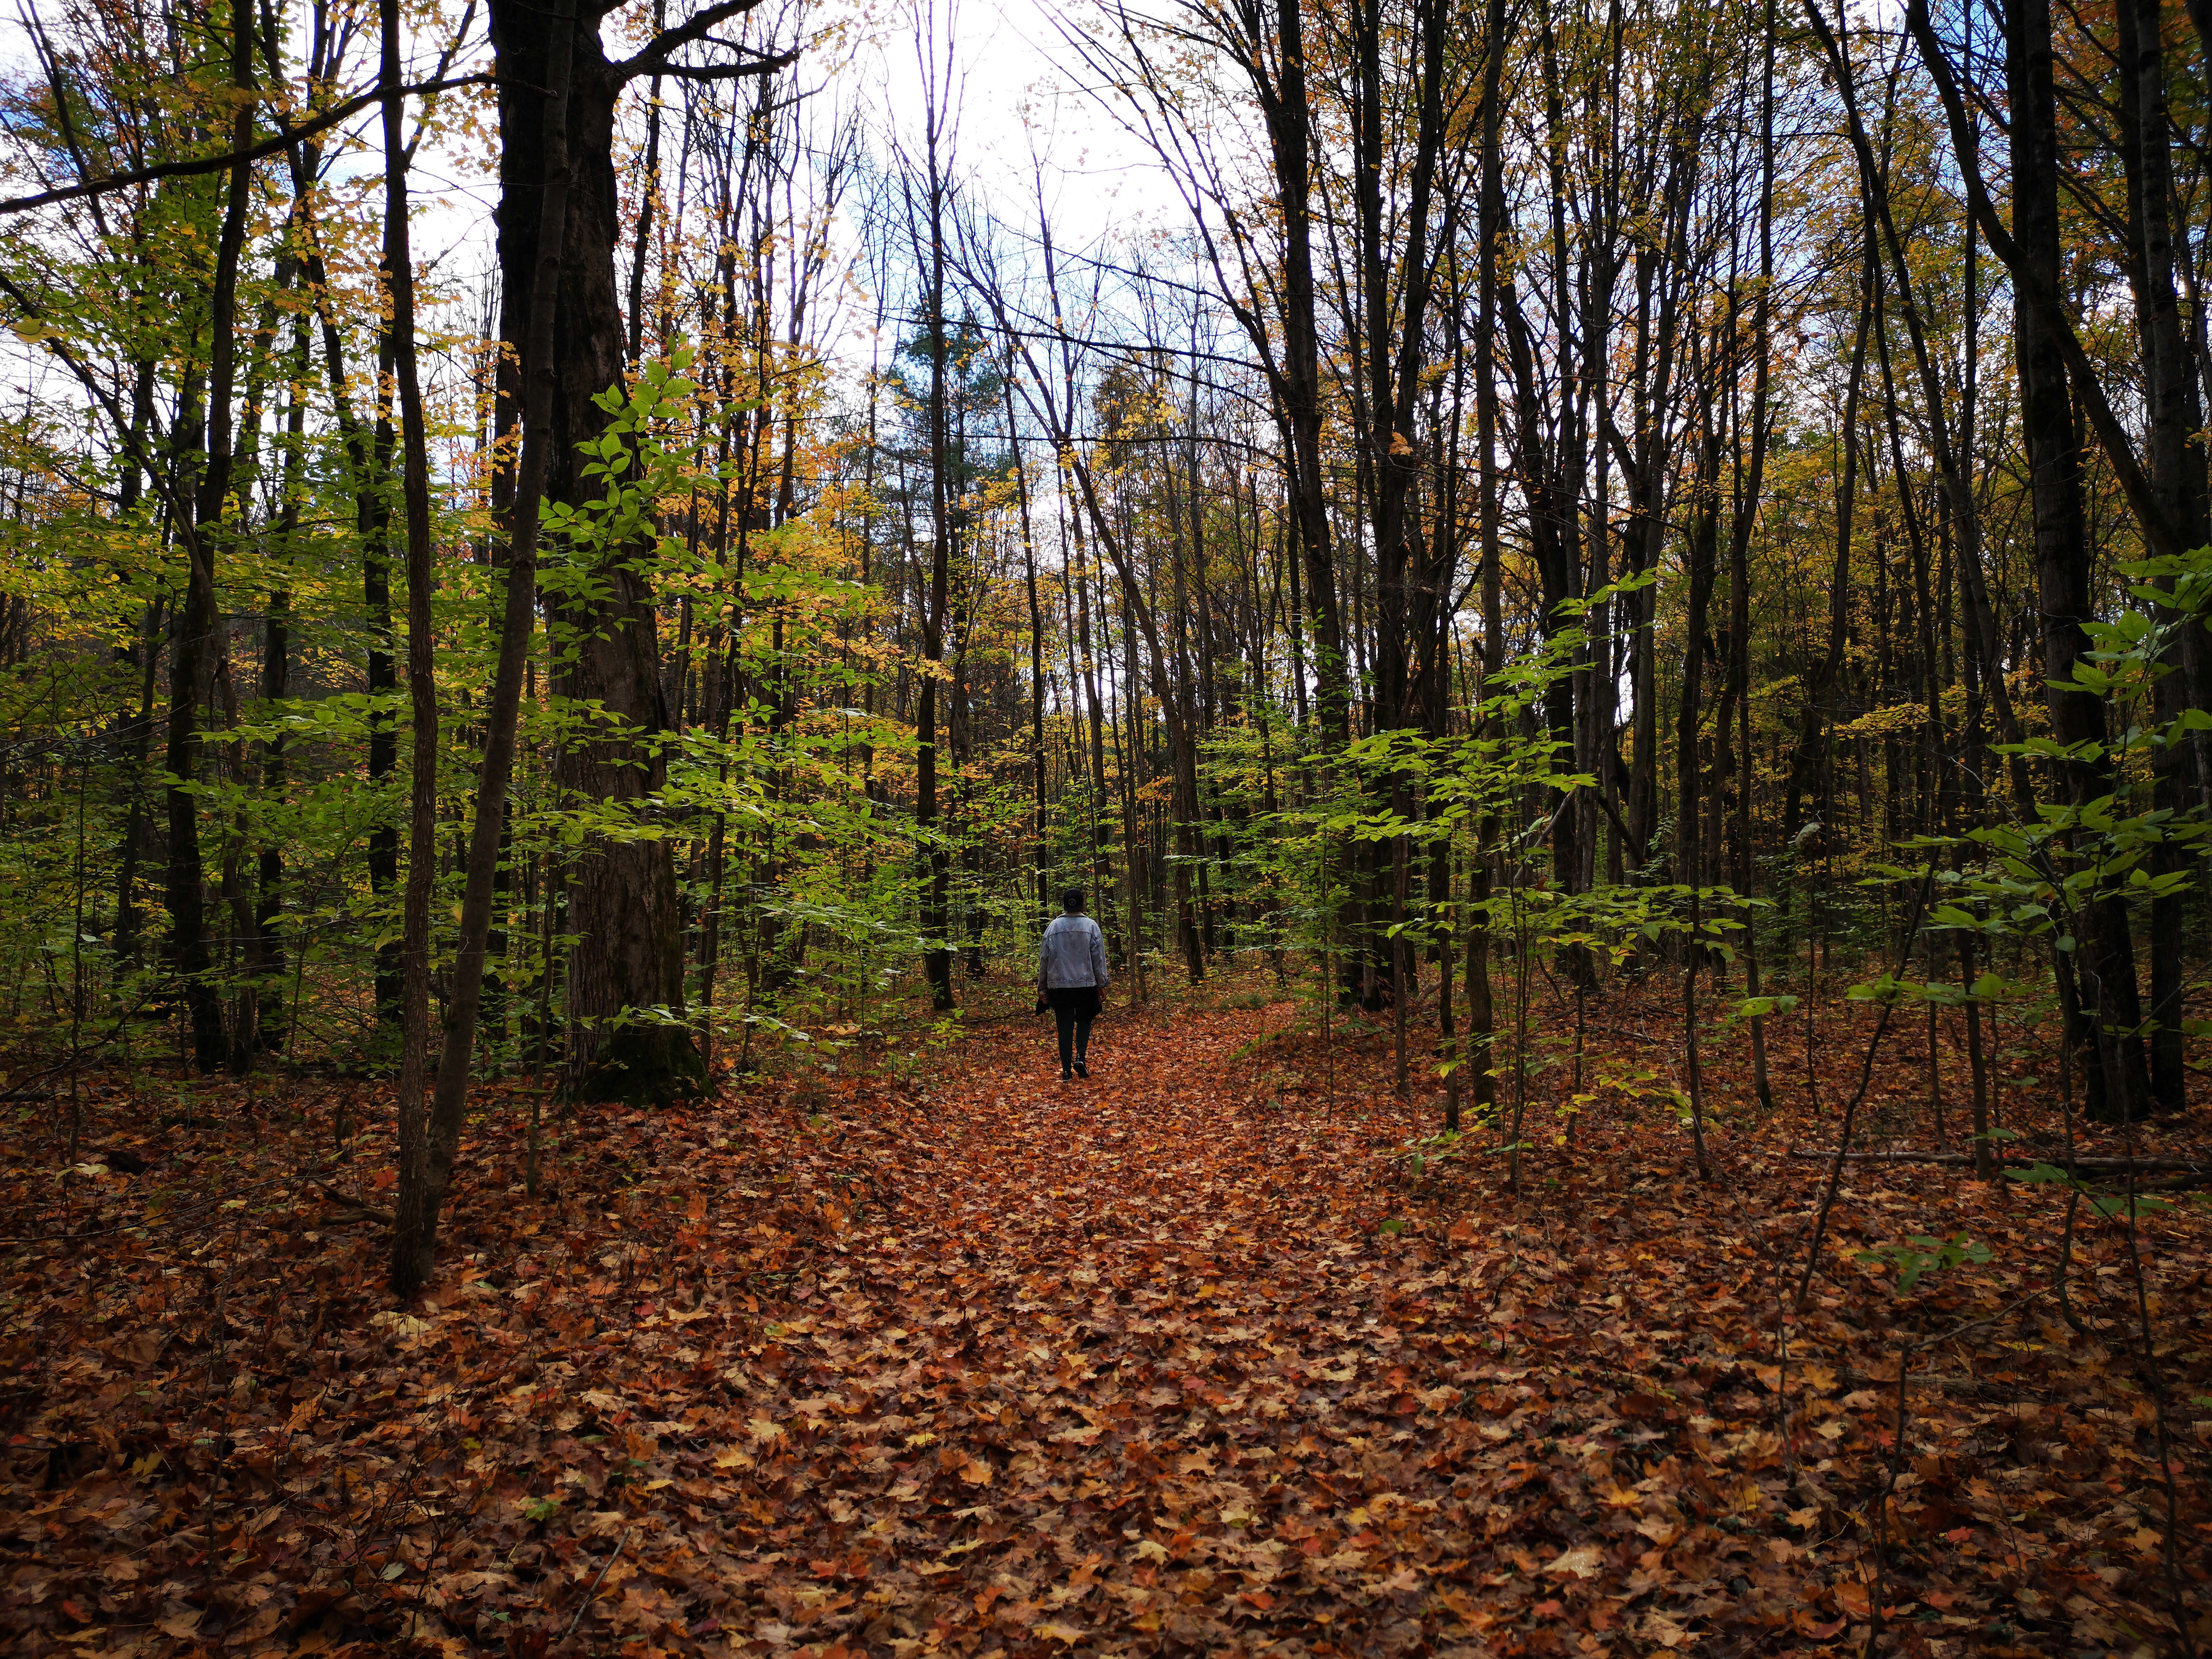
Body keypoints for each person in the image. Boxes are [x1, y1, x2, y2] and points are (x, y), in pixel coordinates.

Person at [1037, 888, 1110, 1080]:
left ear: (1064, 905)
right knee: (1085, 1020)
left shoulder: (1053, 928)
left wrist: (1042, 988)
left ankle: (1066, 1071)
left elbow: (1045, 959)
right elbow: (1098, 958)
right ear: (1083, 904)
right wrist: (1102, 984)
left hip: (1059, 987)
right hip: (1086, 985)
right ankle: (1081, 1057)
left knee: (1064, 1026)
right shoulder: (1091, 927)